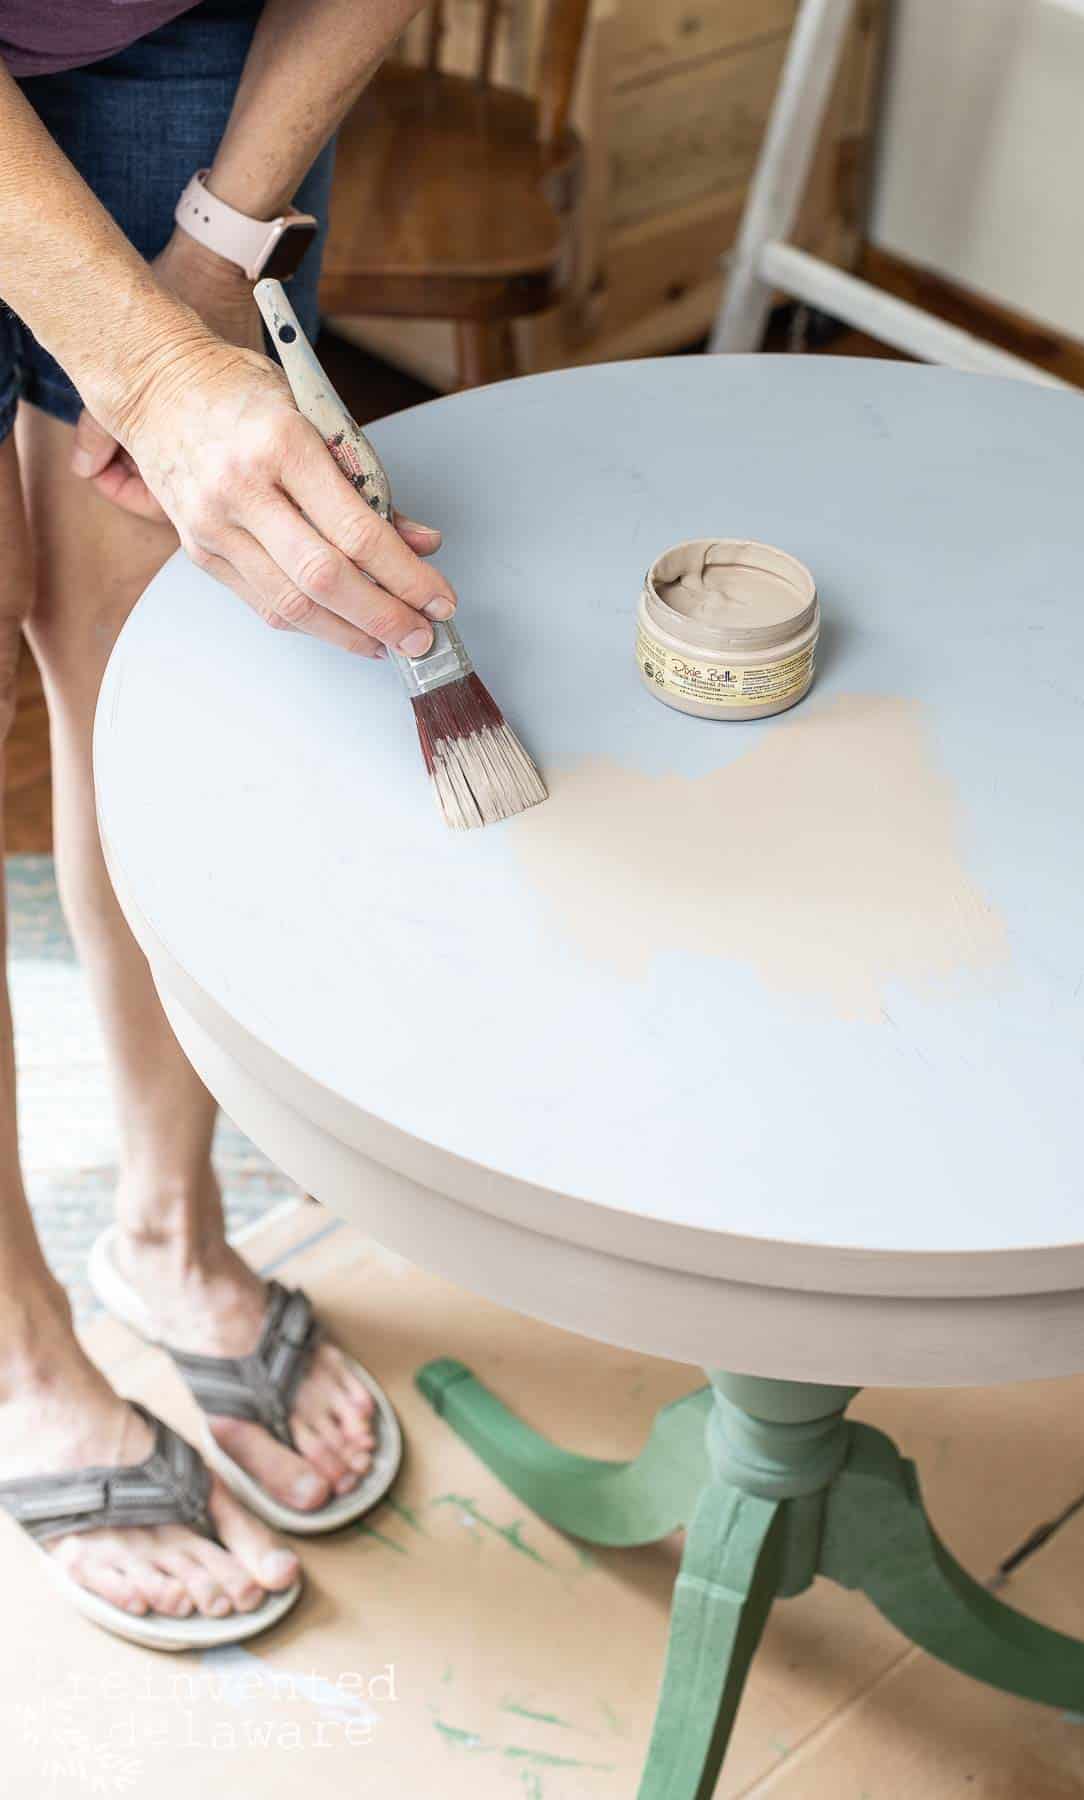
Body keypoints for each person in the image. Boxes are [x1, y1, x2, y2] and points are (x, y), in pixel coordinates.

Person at [0, 0, 454, 1645]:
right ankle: (19, 1351)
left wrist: (212, 255)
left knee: (149, 690)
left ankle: (167, 1236)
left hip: (182, 42)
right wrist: (146, 367)